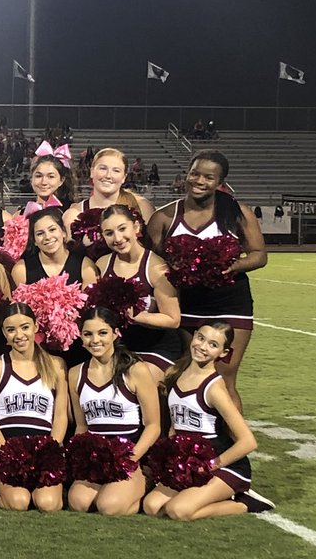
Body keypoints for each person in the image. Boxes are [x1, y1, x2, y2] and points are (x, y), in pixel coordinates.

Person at [146, 150, 266, 411]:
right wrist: (174, 268)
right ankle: (193, 435)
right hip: (186, 305)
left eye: (208, 177)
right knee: (187, 372)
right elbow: (151, 263)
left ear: (219, 182)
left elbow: (259, 255)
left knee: (223, 376)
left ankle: (233, 442)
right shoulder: (165, 217)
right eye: (195, 173)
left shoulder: (236, 212)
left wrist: (227, 266)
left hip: (230, 304)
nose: (199, 181)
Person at [143, 322, 271, 519]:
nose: (202, 347)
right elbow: (174, 428)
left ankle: (242, 502)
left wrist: (210, 465)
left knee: (178, 510)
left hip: (223, 465)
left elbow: (248, 442)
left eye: (212, 345)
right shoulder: (175, 373)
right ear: (193, 336)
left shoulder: (215, 389)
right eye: (201, 338)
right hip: (187, 464)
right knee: (152, 506)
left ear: (222, 352)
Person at [66, 307, 161, 516]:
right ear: (80, 336)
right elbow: (82, 425)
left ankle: (144, 484)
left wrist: (130, 459)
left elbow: (153, 425)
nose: (95, 340)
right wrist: (79, 460)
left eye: (102, 333)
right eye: (88, 334)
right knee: (78, 502)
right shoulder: (75, 374)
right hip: (95, 458)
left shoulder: (135, 370)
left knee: (108, 506)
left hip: (129, 455)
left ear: (115, 333)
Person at [0, 303, 69, 512]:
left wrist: (52, 450)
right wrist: (7, 453)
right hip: (6, 445)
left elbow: (60, 416)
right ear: (4, 333)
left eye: (25, 327)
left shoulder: (55, 365)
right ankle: (0, 492)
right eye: (11, 330)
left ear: (36, 326)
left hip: (44, 445)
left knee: (48, 504)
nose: (19, 335)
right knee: (18, 502)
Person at [95, 205, 181, 373]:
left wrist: (136, 316)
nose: (118, 238)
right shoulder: (102, 264)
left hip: (156, 348)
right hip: (118, 347)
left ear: (136, 227)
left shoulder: (156, 268)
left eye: (122, 229)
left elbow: (173, 320)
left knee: (138, 376)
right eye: (109, 233)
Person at [62, 148, 154, 257]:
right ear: (91, 172)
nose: (108, 175)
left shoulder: (142, 206)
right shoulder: (73, 215)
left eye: (116, 171)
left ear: (124, 177)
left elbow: (152, 253)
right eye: (103, 168)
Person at [11, 207, 99, 288]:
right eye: (40, 233)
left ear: (63, 232)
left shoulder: (85, 266)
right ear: (34, 241)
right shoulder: (21, 270)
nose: (47, 237)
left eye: (52, 230)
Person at [27, 142, 77, 209]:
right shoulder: (21, 214)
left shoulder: (71, 212)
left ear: (61, 180)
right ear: (31, 179)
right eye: (38, 176)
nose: (43, 182)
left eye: (51, 176)